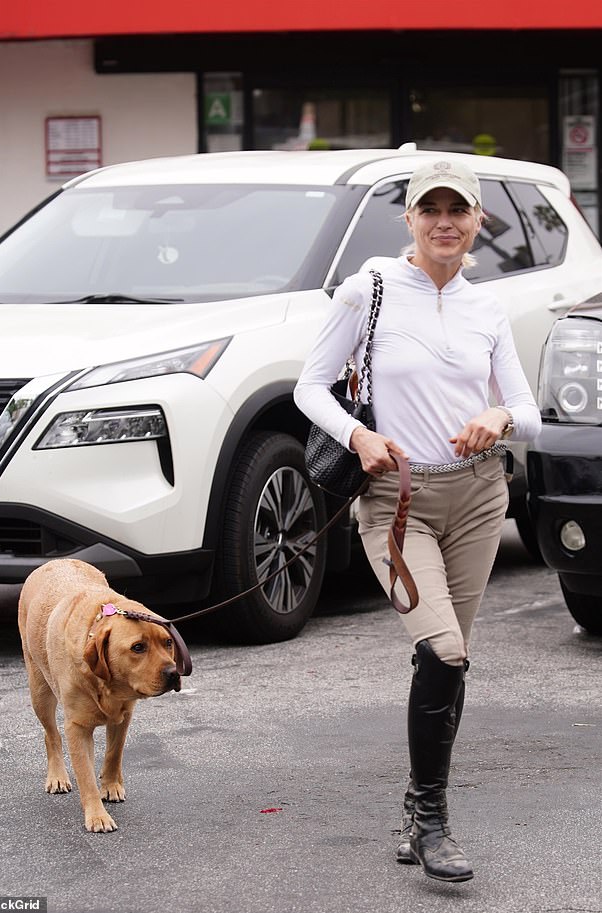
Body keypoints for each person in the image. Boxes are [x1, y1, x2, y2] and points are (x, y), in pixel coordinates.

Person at [294, 157, 542, 883]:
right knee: (445, 648)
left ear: (476, 223)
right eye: (429, 210)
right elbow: (310, 387)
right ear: (409, 219)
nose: (444, 223)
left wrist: (496, 414)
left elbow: (525, 411)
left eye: (457, 211)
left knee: (446, 654)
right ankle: (432, 821)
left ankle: (416, 807)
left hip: (477, 499)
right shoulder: (368, 288)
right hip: (396, 500)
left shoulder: (486, 308)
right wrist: (359, 436)